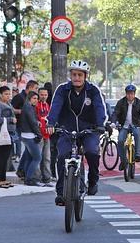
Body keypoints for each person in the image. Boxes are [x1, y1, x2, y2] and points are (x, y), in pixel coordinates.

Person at [46, 60, 107, 206]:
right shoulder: (62, 89)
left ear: (85, 76)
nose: (77, 78)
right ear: (70, 75)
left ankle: (92, 181)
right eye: (74, 75)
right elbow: (55, 107)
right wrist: (51, 123)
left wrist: (101, 125)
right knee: (62, 155)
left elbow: (100, 108)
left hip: (89, 130)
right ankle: (61, 192)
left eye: (80, 75)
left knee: (92, 152)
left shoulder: (93, 90)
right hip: (67, 129)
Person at [113, 84, 140, 170]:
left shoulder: (139, 102)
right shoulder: (121, 102)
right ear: (126, 94)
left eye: (132, 93)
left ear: (134, 94)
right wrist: (113, 122)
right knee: (120, 140)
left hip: (135, 125)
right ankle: (123, 160)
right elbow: (115, 113)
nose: (130, 95)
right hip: (124, 126)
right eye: (128, 93)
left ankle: (137, 154)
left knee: (137, 135)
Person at [0, 86, 16, 188]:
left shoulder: (8, 103)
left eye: (9, 94)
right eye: (6, 94)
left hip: (9, 133)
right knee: (1, 157)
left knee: (5, 157)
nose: (8, 96)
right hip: (1, 133)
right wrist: (10, 119)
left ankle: (3, 179)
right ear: (0, 94)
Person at [13, 80, 39, 178]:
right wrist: (20, 111)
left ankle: (22, 170)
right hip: (21, 127)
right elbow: (10, 108)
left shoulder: (31, 100)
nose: (37, 90)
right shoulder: (19, 97)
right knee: (34, 155)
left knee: (28, 152)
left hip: (29, 128)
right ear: (30, 87)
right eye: (36, 88)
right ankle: (24, 172)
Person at [19, 92, 43, 186]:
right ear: (29, 98)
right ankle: (29, 179)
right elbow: (32, 123)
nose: (36, 100)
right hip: (30, 135)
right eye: (34, 98)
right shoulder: (28, 107)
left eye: (37, 98)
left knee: (29, 157)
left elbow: (32, 121)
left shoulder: (27, 107)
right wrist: (39, 135)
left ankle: (27, 178)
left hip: (25, 135)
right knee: (37, 158)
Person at [35, 87, 53, 184]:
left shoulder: (47, 105)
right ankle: (37, 177)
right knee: (38, 157)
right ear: (38, 95)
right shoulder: (36, 105)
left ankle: (47, 177)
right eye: (42, 94)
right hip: (39, 135)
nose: (44, 96)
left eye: (45, 95)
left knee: (47, 157)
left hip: (47, 134)